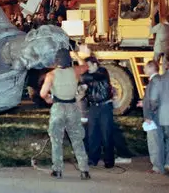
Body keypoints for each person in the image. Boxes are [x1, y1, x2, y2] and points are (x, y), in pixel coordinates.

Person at [40, 48, 91, 180]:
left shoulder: (51, 75)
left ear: (56, 61)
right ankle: (84, 170)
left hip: (58, 107)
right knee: (77, 140)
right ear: (69, 60)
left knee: (56, 140)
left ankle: (57, 170)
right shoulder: (75, 71)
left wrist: (48, 99)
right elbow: (86, 66)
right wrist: (77, 56)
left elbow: (42, 93)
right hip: (73, 108)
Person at [81, 56, 115, 168]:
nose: (87, 68)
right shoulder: (89, 76)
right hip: (94, 107)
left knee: (106, 134)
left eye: (88, 65)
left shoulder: (102, 72)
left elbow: (91, 78)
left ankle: (109, 161)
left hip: (105, 107)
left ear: (95, 64)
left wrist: (80, 76)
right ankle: (92, 159)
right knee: (92, 134)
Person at [142, 60, 164, 174]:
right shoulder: (160, 79)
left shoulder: (154, 81)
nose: (144, 70)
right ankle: (161, 164)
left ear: (151, 68)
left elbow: (154, 100)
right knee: (159, 140)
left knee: (154, 141)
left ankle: (157, 166)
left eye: (145, 68)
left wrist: (149, 115)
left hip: (154, 116)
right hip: (160, 115)